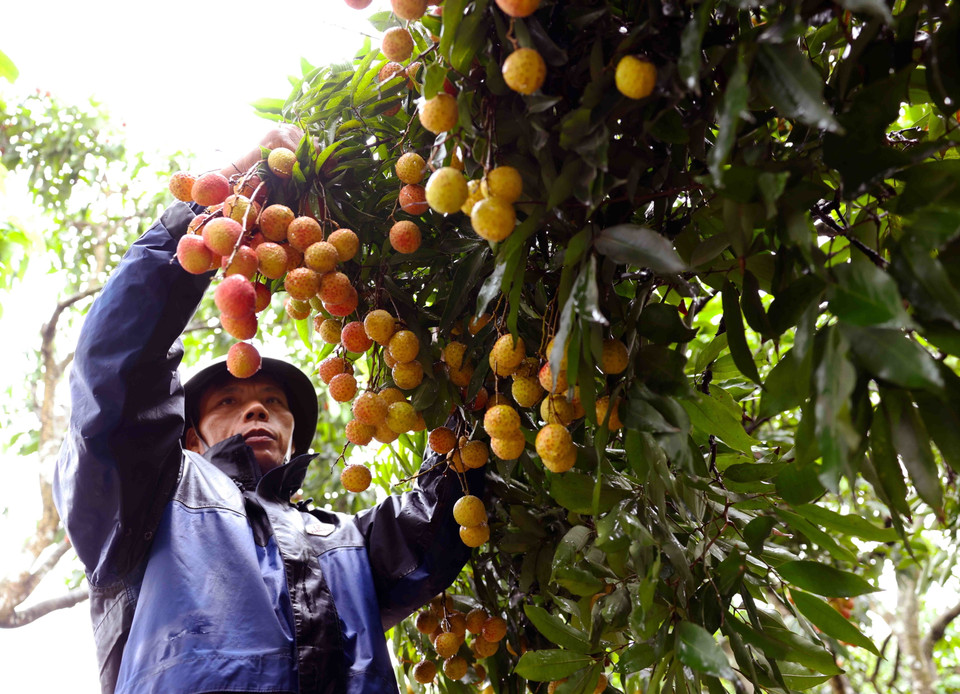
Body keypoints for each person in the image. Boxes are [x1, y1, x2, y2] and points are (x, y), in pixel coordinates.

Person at [53, 127, 483, 694]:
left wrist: (473, 354)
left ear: (294, 434)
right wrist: (214, 207)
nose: (255, 411)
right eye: (229, 401)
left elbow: (449, 507)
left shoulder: (342, 539)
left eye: (273, 404)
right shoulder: (145, 501)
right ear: (187, 438)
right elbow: (115, 370)